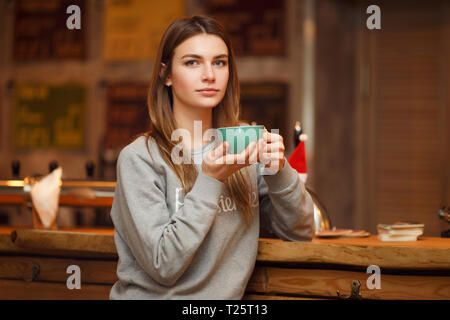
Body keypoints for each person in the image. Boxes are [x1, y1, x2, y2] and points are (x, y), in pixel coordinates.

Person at [109, 15, 314, 300]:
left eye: (219, 62)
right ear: (166, 74)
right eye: (192, 62)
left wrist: (280, 170)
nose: (209, 75)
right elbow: (164, 265)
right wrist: (209, 180)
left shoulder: (244, 143)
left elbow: (300, 232)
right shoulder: (140, 158)